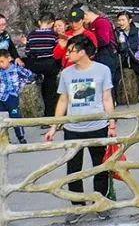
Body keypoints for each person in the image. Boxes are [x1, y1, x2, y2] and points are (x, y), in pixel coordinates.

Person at [45, 34, 116, 203]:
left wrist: (112, 124)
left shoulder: (102, 70)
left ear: (83, 52)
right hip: (73, 129)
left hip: (98, 126)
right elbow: (63, 100)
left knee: (100, 168)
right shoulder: (66, 73)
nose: (67, 54)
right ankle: (78, 205)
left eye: (71, 51)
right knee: (73, 171)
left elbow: (107, 98)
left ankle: (100, 202)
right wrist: (53, 127)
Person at [72, 7, 120, 91]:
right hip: (99, 55)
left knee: (105, 82)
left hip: (106, 55)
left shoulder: (101, 22)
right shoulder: (92, 24)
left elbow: (104, 40)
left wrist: (90, 43)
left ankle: (109, 101)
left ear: (86, 14)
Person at [25, 13, 60, 119]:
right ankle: (49, 115)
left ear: (40, 23)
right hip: (50, 64)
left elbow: (27, 51)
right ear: (52, 23)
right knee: (50, 91)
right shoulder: (54, 35)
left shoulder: (31, 34)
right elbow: (57, 51)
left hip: (35, 65)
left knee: (41, 89)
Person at [115, 11, 139, 104]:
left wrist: (138, 54)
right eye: (119, 20)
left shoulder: (137, 31)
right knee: (115, 78)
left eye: (123, 20)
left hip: (133, 58)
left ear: (129, 20)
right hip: (121, 59)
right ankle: (114, 98)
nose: (121, 23)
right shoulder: (117, 33)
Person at [0, 49, 36, 143]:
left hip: (12, 97)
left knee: (15, 117)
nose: (0, 64)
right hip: (1, 97)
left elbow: (29, 75)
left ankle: (21, 137)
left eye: (2, 61)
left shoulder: (17, 69)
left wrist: (32, 79)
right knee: (2, 119)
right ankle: (5, 138)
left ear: (9, 58)